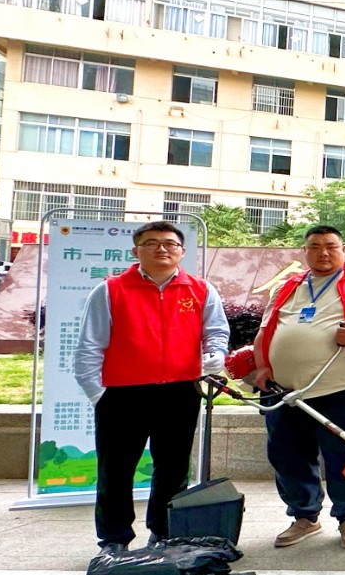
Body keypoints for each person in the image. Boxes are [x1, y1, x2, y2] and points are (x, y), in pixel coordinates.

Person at [74, 221, 229, 554]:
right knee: (116, 470)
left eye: (170, 243)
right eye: (152, 243)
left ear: (182, 251)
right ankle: (114, 539)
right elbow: (90, 345)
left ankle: (164, 532)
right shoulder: (110, 290)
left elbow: (216, 331)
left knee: (173, 469)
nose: (162, 248)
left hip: (180, 392)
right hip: (122, 394)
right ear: (136, 250)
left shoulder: (200, 290)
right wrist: (99, 395)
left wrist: (216, 353)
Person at [252, 225, 345, 549]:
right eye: (315, 246)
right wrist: (262, 366)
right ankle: (304, 516)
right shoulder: (287, 286)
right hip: (283, 390)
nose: (323, 252)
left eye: (331, 246)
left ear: (344, 249)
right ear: (305, 251)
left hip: (342, 386)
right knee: (286, 454)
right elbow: (265, 329)